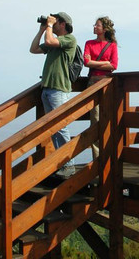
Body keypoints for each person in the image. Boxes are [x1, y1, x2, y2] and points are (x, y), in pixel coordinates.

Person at [30, 12, 77, 179]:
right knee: (54, 128)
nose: (53, 23)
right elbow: (33, 49)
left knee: (61, 126)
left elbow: (50, 41)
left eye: (56, 21)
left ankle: (68, 164)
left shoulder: (69, 39)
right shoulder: (53, 41)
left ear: (63, 24)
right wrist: (43, 29)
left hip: (59, 89)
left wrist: (49, 27)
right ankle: (61, 163)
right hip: (48, 88)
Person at [84, 16, 118, 159]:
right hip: (93, 83)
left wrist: (94, 63)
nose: (94, 27)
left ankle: (110, 155)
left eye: (97, 25)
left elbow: (114, 65)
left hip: (106, 83)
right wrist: (105, 63)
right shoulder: (89, 43)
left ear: (104, 29)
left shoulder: (112, 45)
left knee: (109, 117)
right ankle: (98, 159)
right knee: (95, 119)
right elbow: (86, 62)